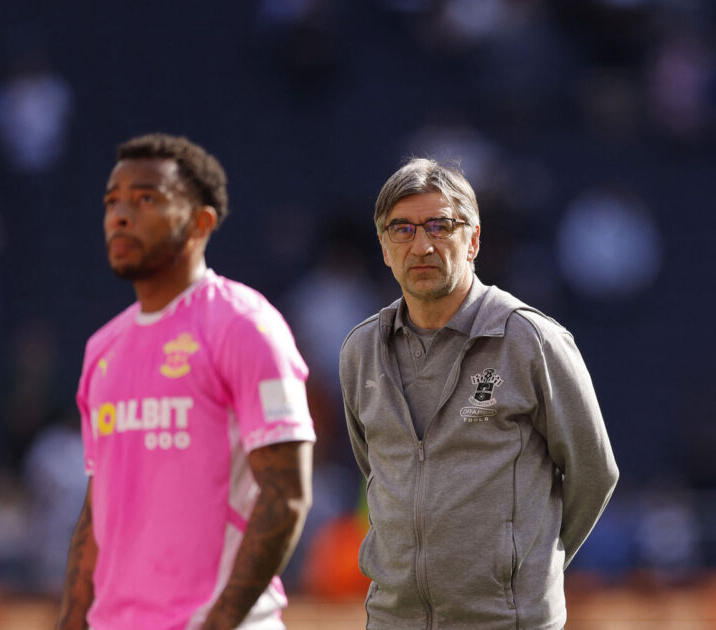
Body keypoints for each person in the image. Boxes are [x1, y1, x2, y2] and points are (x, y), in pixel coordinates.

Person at [339, 157, 619, 629]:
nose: (422, 245)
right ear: (384, 248)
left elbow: (593, 473)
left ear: (473, 240)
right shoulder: (361, 350)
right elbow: (374, 470)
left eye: (440, 225)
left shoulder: (531, 340)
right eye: (402, 229)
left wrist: (527, 571)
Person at [58, 134, 316, 630]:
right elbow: (96, 513)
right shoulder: (102, 348)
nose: (120, 216)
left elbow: (286, 494)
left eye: (146, 199)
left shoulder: (244, 325)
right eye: (112, 202)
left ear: (201, 222)